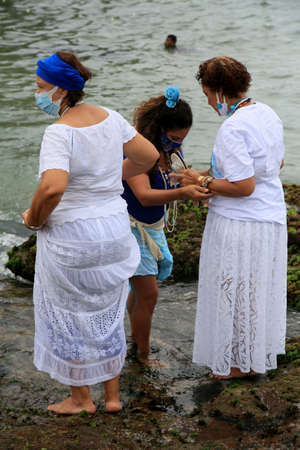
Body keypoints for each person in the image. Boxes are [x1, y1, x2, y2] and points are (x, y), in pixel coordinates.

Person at [21, 51, 159, 414]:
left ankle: (81, 399)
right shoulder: (110, 118)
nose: (36, 93)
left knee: (66, 312)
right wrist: (112, 177)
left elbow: (53, 188)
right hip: (114, 230)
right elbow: (148, 157)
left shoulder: (59, 132)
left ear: (60, 90)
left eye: (39, 87)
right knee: (107, 310)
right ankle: (112, 398)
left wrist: (33, 218)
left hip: (73, 235)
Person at [172, 56, 287, 379]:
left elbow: (243, 185)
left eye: (208, 95)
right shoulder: (267, 113)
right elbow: (272, 166)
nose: (209, 103)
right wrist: (202, 174)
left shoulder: (232, 127)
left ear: (219, 91)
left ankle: (232, 365)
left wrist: (205, 182)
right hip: (269, 219)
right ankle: (250, 358)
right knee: (253, 291)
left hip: (239, 223)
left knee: (232, 291)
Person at [122, 86, 213, 367]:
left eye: (181, 140)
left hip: (151, 228)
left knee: (140, 292)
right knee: (148, 294)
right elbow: (144, 196)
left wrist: (208, 174)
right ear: (157, 129)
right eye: (173, 138)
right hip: (132, 230)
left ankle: (137, 338)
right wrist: (181, 193)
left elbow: (172, 178)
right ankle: (143, 355)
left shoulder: (166, 149)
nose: (177, 145)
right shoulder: (137, 152)